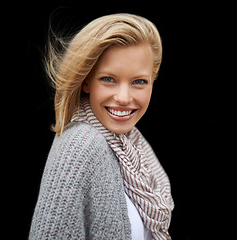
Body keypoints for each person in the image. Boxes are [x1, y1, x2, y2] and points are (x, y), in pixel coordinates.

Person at [29, 13, 174, 240]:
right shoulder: (81, 145)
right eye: (108, 79)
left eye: (139, 82)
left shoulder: (133, 144)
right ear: (86, 80)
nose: (124, 98)